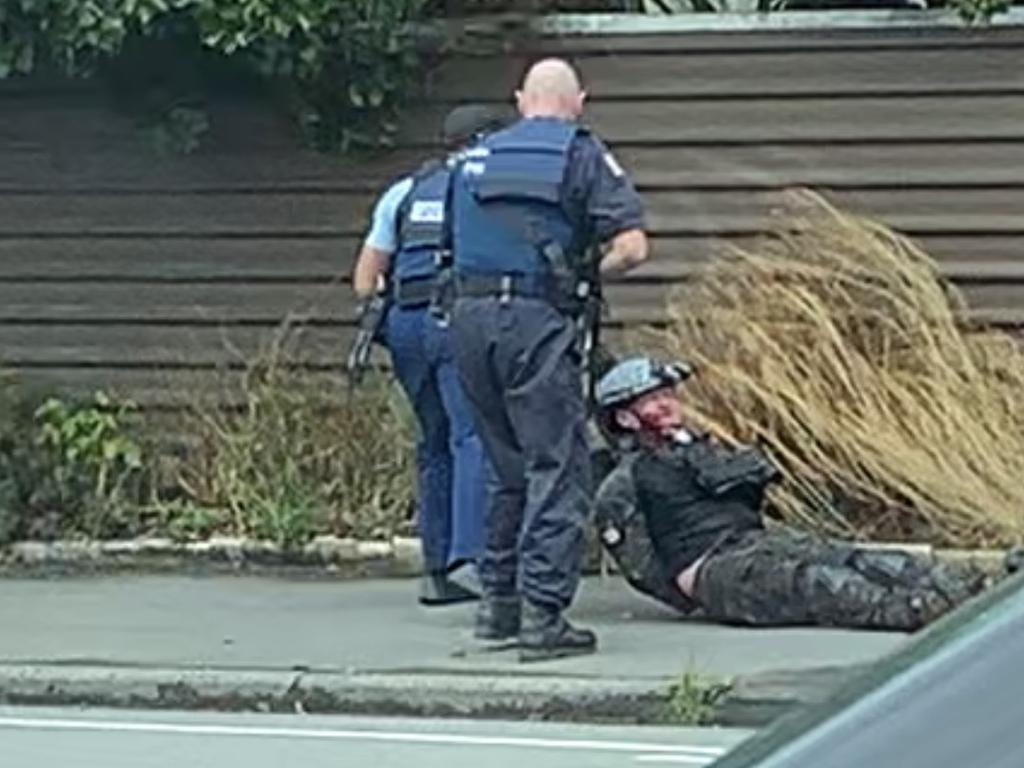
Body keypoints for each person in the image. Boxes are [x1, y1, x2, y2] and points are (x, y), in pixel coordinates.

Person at [447, 58, 650, 662]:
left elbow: (448, 247)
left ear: (519, 100)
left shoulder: (473, 159)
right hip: (535, 323)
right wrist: (588, 271)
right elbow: (633, 248)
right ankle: (544, 618)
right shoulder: (581, 154)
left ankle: (497, 606)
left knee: (503, 467)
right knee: (556, 468)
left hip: (468, 321)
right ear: (579, 101)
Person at [593, 356, 1003, 631]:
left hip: (758, 543)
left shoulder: (699, 451)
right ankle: (944, 613)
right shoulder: (625, 481)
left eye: (668, 395)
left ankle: (990, 585)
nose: (666, 405)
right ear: (626, 418)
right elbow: (638, 563)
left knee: (860, 559)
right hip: (718, 567)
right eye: (651, 400)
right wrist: (692, 590)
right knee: (824, 586)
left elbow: (749, 497)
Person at [352, 105, 507, 607]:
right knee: (472, 437)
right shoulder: (484, 189)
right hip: (454, 318)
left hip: (404, 326)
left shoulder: (404, 191)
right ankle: (471, 560)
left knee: (434, 440)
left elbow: (365, 278)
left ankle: (436, 569)